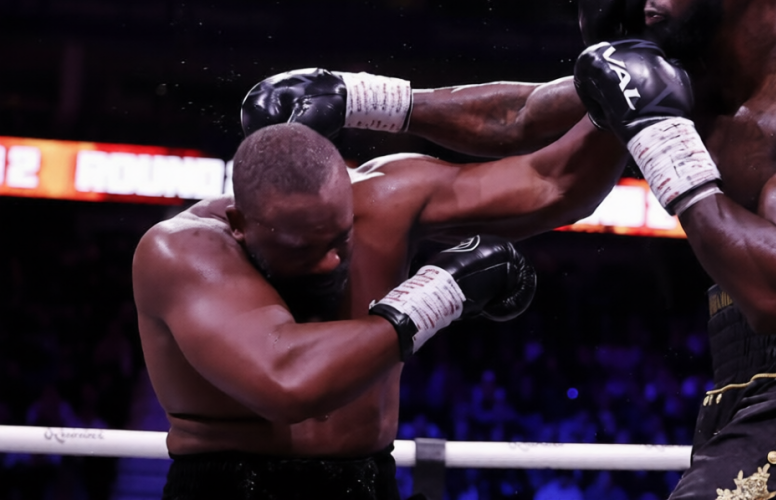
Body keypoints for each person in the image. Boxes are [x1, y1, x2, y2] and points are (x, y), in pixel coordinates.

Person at [246, 0, 776, 499]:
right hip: (740, 392)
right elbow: (521, 117)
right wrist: (355, 96)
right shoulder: (687, 72)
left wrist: (659, 132)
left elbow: (775, 291)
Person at [133, 116, 626, 499]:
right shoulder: (183, 251)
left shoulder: (386, 199)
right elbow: (287, 379)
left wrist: (626, 88)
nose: (330, 261)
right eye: (303, 247)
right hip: (227, 484)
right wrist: (439, 292)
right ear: (241, 222)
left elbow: (555, 183)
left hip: (367, 479)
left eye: (341, 238)